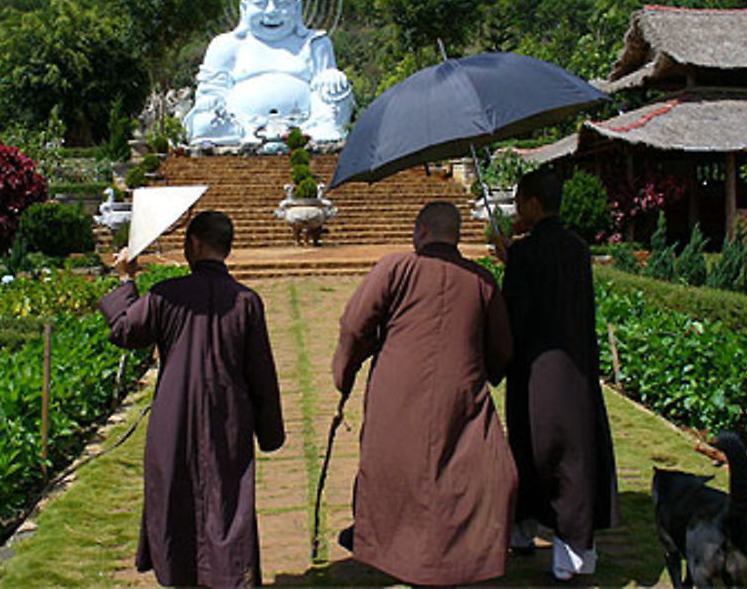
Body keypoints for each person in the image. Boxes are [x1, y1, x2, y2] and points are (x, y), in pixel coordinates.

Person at [331, 201, 517, 586]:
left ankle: (390, 545)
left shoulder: (396, 268)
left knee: (394, 467)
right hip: (461, 391)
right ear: (457, 235)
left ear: (421, 232)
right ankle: (454, 552)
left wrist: (345, 372)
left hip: (397, 392)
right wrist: (483, 372)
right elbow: (502, 349)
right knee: (460, 470)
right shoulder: (481, 280)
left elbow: (354, 326)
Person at [99, 211, 285, 589]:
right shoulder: (247, 302)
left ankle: (179, 573)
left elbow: (124, 329)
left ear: (195, 244)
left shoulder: (168, 295)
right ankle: (230, 576)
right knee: (228, 498)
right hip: (228, 415)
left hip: (175, 412)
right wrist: (270, 432)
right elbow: (261, 373)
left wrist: (125, 278)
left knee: (175, 493)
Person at [496, 168, 620, 582]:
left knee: (538, 451)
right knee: (571, 453)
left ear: (533, 204)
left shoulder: (528, 254)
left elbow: (515, 315)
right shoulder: (577, 248)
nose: (515, 209)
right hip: (576, 367)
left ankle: (555, 550)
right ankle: (547, 541)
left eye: (518, 202)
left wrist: (512, 262)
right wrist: (512, 256)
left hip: (536, 369)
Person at [184, 0, 354, 145]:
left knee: (335, 89)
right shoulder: (226, 44)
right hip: (239, 126)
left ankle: (320, 133)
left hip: (307, 123)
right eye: (260, 3)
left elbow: (325, 84)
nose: (271, 11)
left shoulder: (315, 43)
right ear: (244, 8)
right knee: (204, 124)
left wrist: (331, 77)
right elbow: (211, 90)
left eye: (282, 3)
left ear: (297, 8)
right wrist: (211, 102)